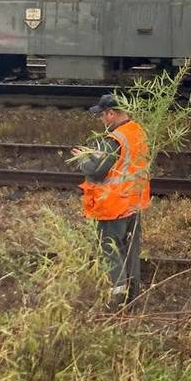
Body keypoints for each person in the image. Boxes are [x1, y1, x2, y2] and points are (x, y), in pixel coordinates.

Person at [74, 93, 151, 305]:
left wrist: (83, 159)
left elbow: (97, 170)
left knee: (111, 251)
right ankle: (132, 297)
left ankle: (117, 300)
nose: (100, 120)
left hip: (112, 205)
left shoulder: (114, 139)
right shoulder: (137, 132)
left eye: (101, 115)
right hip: (132, 203)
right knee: (130, 251)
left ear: (111, 113)